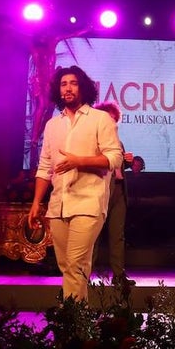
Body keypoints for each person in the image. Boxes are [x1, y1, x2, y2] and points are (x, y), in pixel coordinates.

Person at [27, 65, 124, 302]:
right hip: (59, 204)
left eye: (73, 83)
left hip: (88, 203)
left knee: (75, 264)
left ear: (83, 87)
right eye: (63, 84)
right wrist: (36, 203)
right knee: (69, 267)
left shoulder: (100, 119)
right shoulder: (53, 125)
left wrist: (79, 161)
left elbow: (114, 158)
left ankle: (71, 322)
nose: (68, 88)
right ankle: (79, 323)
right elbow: (44, 168)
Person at [93, 100, 145, 281]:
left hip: (120, 191)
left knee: (117, 235)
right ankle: (84, 275)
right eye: (109, 119)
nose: (112, 123)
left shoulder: (118, 142)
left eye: (114, 120)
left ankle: (118, 275)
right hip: (100, 192)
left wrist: (128, 162)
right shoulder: (94, 141)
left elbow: (118, 168)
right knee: (93, 235)